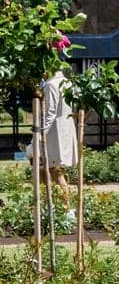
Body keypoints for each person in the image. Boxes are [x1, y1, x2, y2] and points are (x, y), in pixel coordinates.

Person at [28, 70, 78, 208]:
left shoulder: (51, 85)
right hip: (64, 132)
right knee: (53, 171)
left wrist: (38, 135)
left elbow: (50, 113)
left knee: (50, 171)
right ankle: (56, 208)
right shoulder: (67, 82)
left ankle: (62, 208)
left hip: (52, 136)